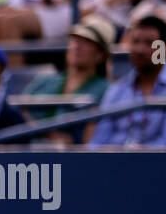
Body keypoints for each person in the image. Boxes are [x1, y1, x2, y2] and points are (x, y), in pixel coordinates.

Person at [90, 14, 166, 145]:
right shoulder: (117, 88)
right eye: (135, 42)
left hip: (159, 164)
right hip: (114, 163)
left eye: (150, 43)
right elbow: (98, 142)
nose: (140, 49)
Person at [23, 15, 113, 143]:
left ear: (100, 55)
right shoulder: (44, 80)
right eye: (75, 40)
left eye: (86, 42)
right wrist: (50, 135)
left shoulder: (107, 91)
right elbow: (19, 113)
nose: (77, 46)